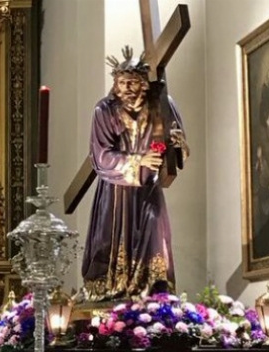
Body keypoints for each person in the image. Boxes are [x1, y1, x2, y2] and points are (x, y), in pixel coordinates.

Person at [79, 46, 189, 301]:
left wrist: (176, 144)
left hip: (148, 188)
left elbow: (177, 143)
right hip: (115, 191)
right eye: (122, 82)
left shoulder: (161, 104)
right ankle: (111, 289)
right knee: (110, 240)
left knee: (153, 232)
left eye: (133, 82)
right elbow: (101, 154)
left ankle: (153, 292)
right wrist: (139, 160)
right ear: (115, 84)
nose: (127, 88)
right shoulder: (104, 110)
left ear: (145, 83)